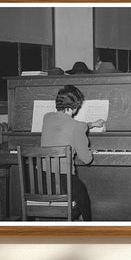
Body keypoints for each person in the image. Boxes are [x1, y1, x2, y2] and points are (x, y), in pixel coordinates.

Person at [40, 85, 104, 221]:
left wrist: (92, 124)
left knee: (79, 190)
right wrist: (88, 150)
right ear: (74, 106)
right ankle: (87, 229)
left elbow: (72, 125)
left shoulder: (47, 118)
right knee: (83, 198)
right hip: (64, 182)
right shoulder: (76, 126)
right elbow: (86, 159)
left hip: (42, 180)